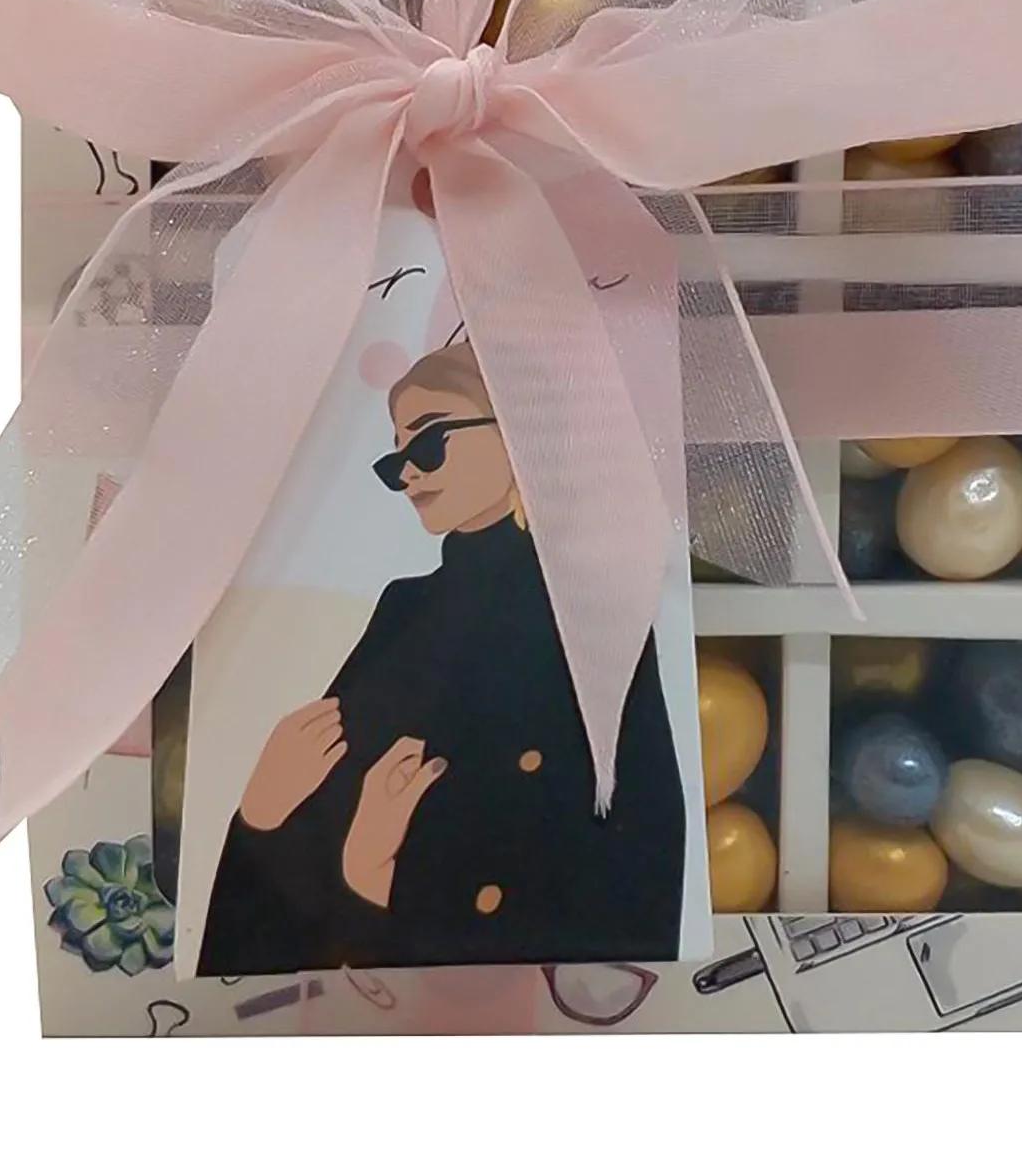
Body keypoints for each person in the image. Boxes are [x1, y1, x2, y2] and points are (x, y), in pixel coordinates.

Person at [199, 341, 685, 973]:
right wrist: (262, 815)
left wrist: (376, 879)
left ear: (520, 430)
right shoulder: (405, 608)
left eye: (429, 442)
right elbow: (265, 936)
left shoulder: (595, 604)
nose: (407, 474)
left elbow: (635, 869)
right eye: (395, 459)